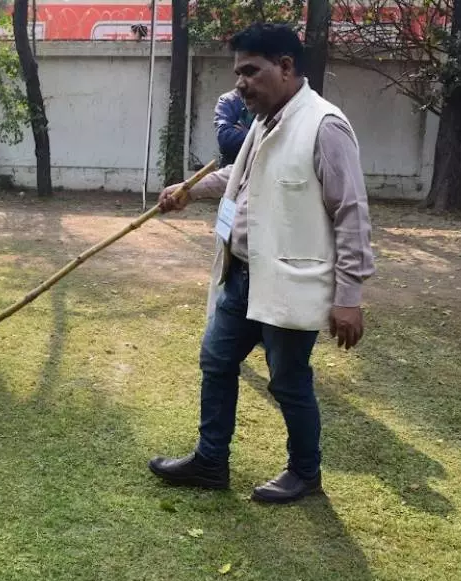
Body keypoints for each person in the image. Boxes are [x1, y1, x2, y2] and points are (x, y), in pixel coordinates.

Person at [148, 23, 375, 503]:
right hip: (244, 275)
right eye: (238, 73)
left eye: (250, 71)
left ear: (286, 67)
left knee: (289, 382)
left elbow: (352, 213)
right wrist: (190, 189)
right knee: (216, 359)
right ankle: (211, 461)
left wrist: (350, 298)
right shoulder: (265, 120)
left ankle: (305, 473)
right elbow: (242, 176)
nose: (240, 83)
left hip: (291, 282)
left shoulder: (324, 125)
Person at [214, 88, 255, 166]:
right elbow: (225, 140)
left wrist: (247, 133)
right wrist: (254, 136)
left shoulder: (269, 101)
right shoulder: (228, 100)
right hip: (232, 167)